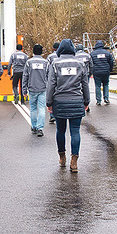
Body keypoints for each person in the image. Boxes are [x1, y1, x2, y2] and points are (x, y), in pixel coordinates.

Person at [46, 39, 89, 173]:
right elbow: (85, 84)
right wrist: (86, 101)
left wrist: (49, 102)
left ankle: (62, 157)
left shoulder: (55, 64)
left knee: (60, 130)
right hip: (76, 101)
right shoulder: (80, 63)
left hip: (60, 102)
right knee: (75, 131)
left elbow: (51, 84)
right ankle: (74, 161)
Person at [22, 44, 48, 137]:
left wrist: (24, 90)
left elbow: (25, 76)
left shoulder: (29, 62)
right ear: (42, 52)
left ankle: (34, 127)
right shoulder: (46, 62)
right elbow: (49, 76)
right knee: (41, 108)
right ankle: (40, 128)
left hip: (32, 88)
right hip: (43, 88)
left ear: (33, 51)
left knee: (33, 108)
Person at [90, 40, 114, 106]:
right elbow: (111, 62)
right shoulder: (107, 53)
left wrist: (91, 71)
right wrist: (110, 70)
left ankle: (98, 100)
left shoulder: (92, 54)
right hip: (106, 72)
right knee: (106, 84)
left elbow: (91, 64)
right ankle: (106, 98)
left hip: (96, 72)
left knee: (97, 86)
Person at [46, 42, 60, 123]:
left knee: (52, 95)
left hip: (52, 79)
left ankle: (52, 115)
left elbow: (47, 68)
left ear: (54, 48)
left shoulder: (50, 57)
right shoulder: (62, 56)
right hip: (62, 80)